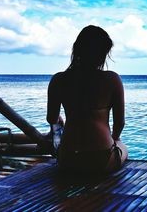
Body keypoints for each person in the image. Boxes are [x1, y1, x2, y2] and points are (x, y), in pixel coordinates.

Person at [47, 25, 128, 174]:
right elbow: (119, 123)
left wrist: (59, 120)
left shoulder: (58, 80)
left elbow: (51, 119)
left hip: (68, 159)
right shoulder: (112, 79)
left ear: (77, 49)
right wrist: (114, 139)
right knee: (122, 146)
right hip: (101, 159)